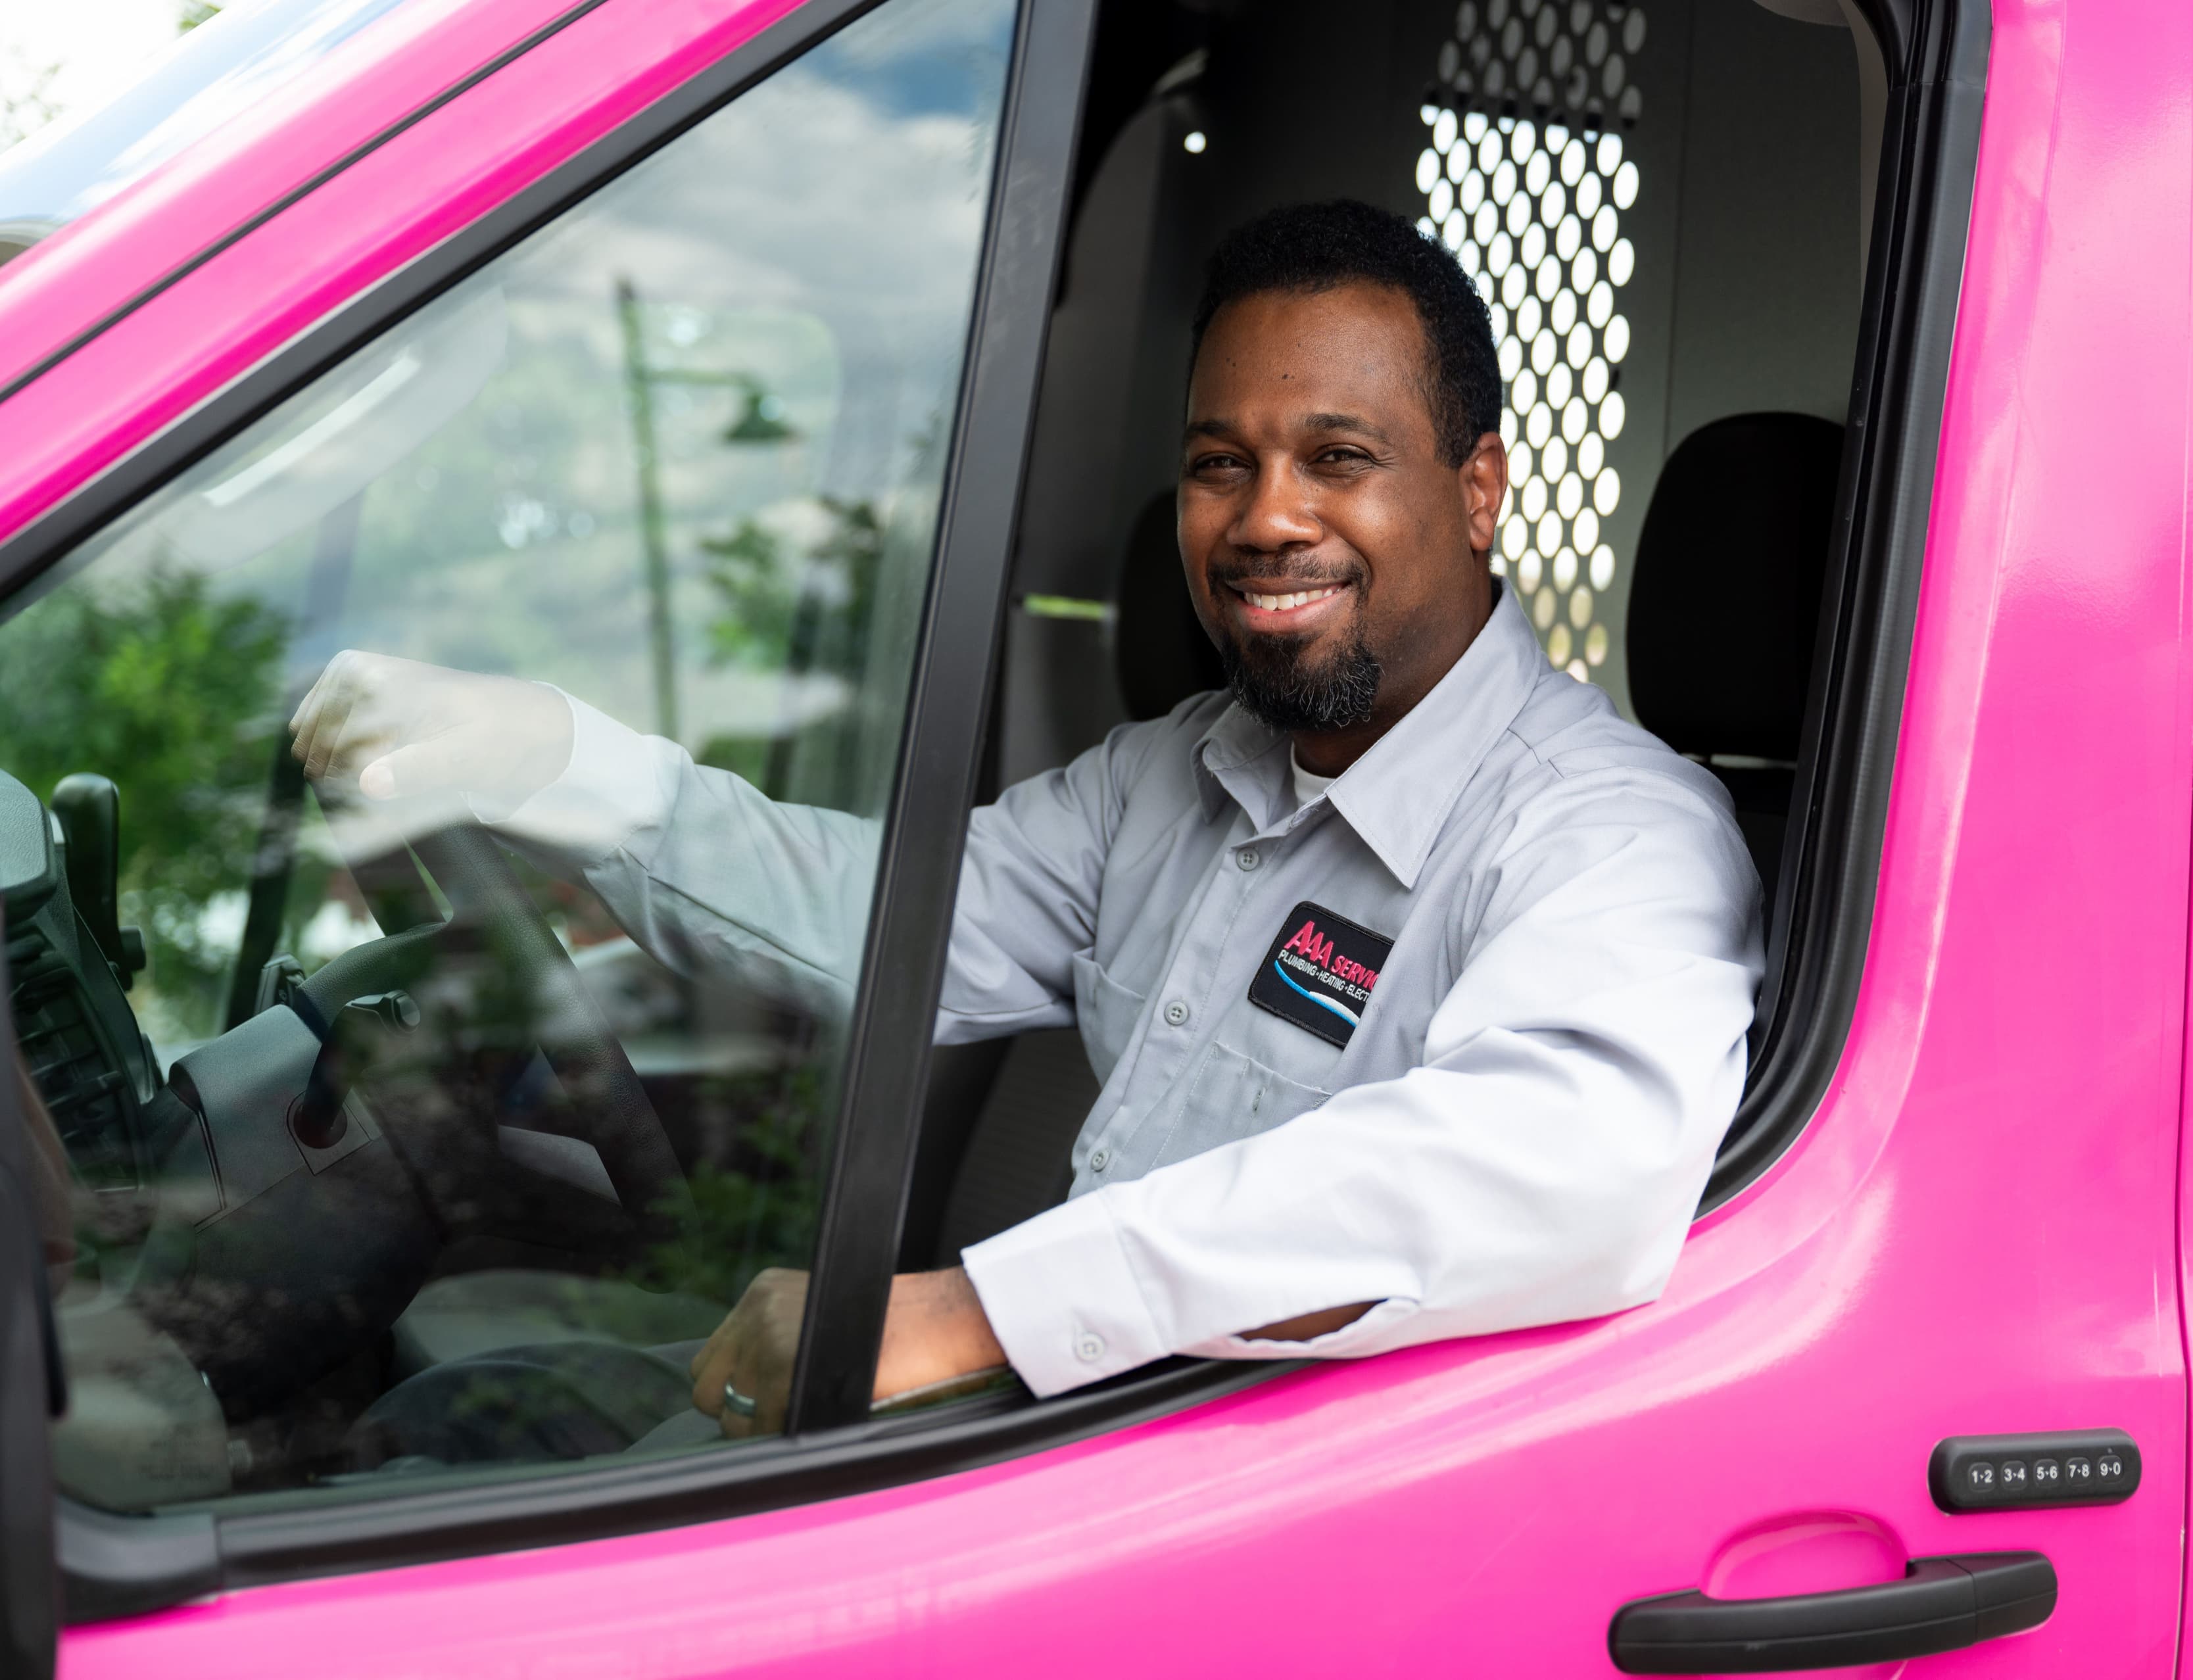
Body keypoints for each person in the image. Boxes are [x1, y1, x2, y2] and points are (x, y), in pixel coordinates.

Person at [293, 199, 1762, 1437]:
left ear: (1481, 486)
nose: (1264, 518)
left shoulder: (1611, 836)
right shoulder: (1171, 772)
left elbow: (1556, 1167)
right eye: (1217, 465)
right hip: (1046, 1438)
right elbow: (883, 928)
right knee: (462, 1422)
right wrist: (563, 757)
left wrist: (974, 1312)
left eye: (1339, 458)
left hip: (1222, 1512)